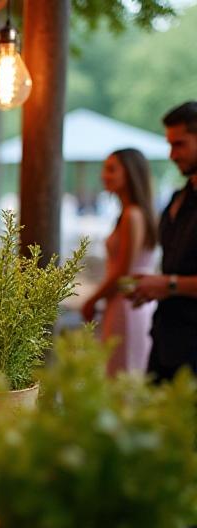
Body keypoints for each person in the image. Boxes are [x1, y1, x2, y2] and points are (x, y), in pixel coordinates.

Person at [132, 101, 197, 382]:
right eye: (169, 144)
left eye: (180, 144)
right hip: (165, 339)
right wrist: (155, 286)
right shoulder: (178, 199)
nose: (172, 154)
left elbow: (174, 278)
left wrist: (167, 284)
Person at [80, 149, 157, 375]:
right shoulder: (134, 213)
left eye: (112, 169)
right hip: (131, 301)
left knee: (123, 372)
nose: (104, 175)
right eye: (105, 169)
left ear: (131, 173)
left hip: (127, 301)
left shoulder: (132, 215)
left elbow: (123, 272)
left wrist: (91, 300)